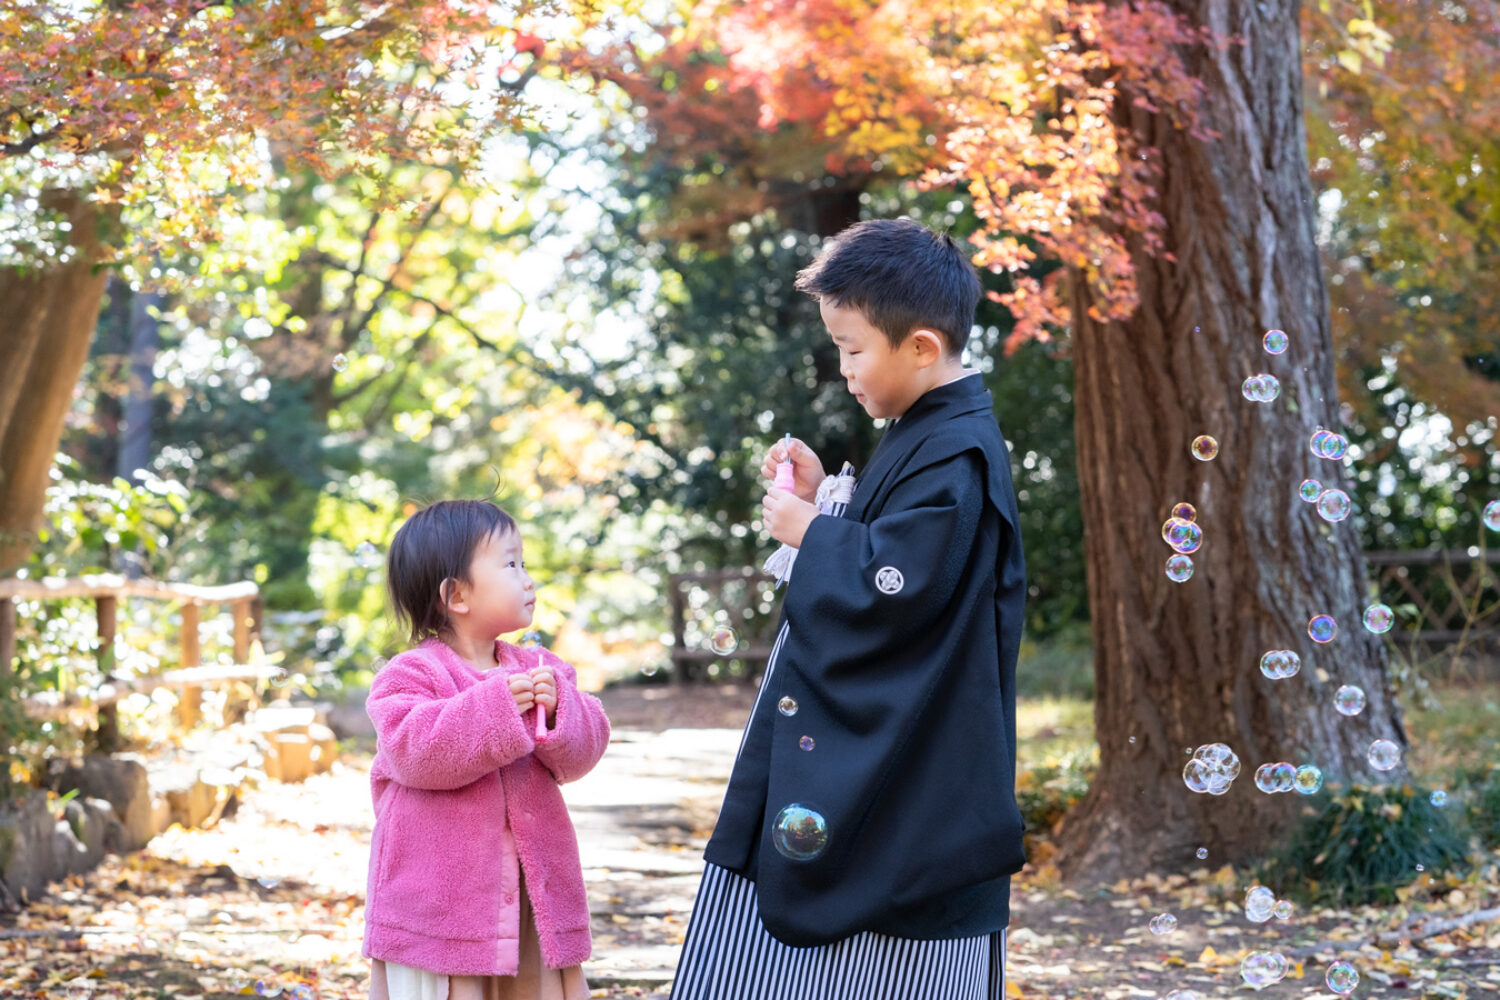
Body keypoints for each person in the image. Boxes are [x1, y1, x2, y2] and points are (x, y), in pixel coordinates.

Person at [671, 219, 1027, 1000]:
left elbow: (899, 589)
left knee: (864, 957)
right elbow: (891, 548)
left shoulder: (959, 452)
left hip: (912, 776)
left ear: (923, 348)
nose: (843, 369)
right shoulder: (927, 432)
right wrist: (823, 502)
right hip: (882, 760)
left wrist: (818, 534)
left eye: (853, 348)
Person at [362, 499, 611, 1000]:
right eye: (511, 563)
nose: (528, 578)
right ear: (456, 594)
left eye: (525, 563)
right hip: (440, 906)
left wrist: (562, 710)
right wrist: (495, 707)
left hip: (528, 895)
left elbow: (581, 753)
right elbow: (415, 752)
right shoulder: (411, 674)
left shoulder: (541, 667)